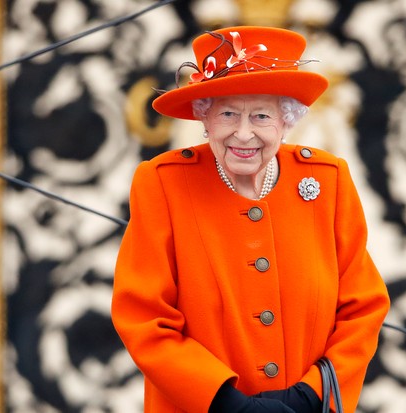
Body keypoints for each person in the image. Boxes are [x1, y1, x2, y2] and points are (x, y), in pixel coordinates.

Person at [111, 26, 390, 413]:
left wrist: (310, 396)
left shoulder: (328, 180)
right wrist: (223, 401)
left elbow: (363, 309)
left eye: (261, 115)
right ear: (204, 118)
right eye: (228, 114)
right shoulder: (164, 184)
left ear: (286, 120)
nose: (244, 134)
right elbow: (144, 317)